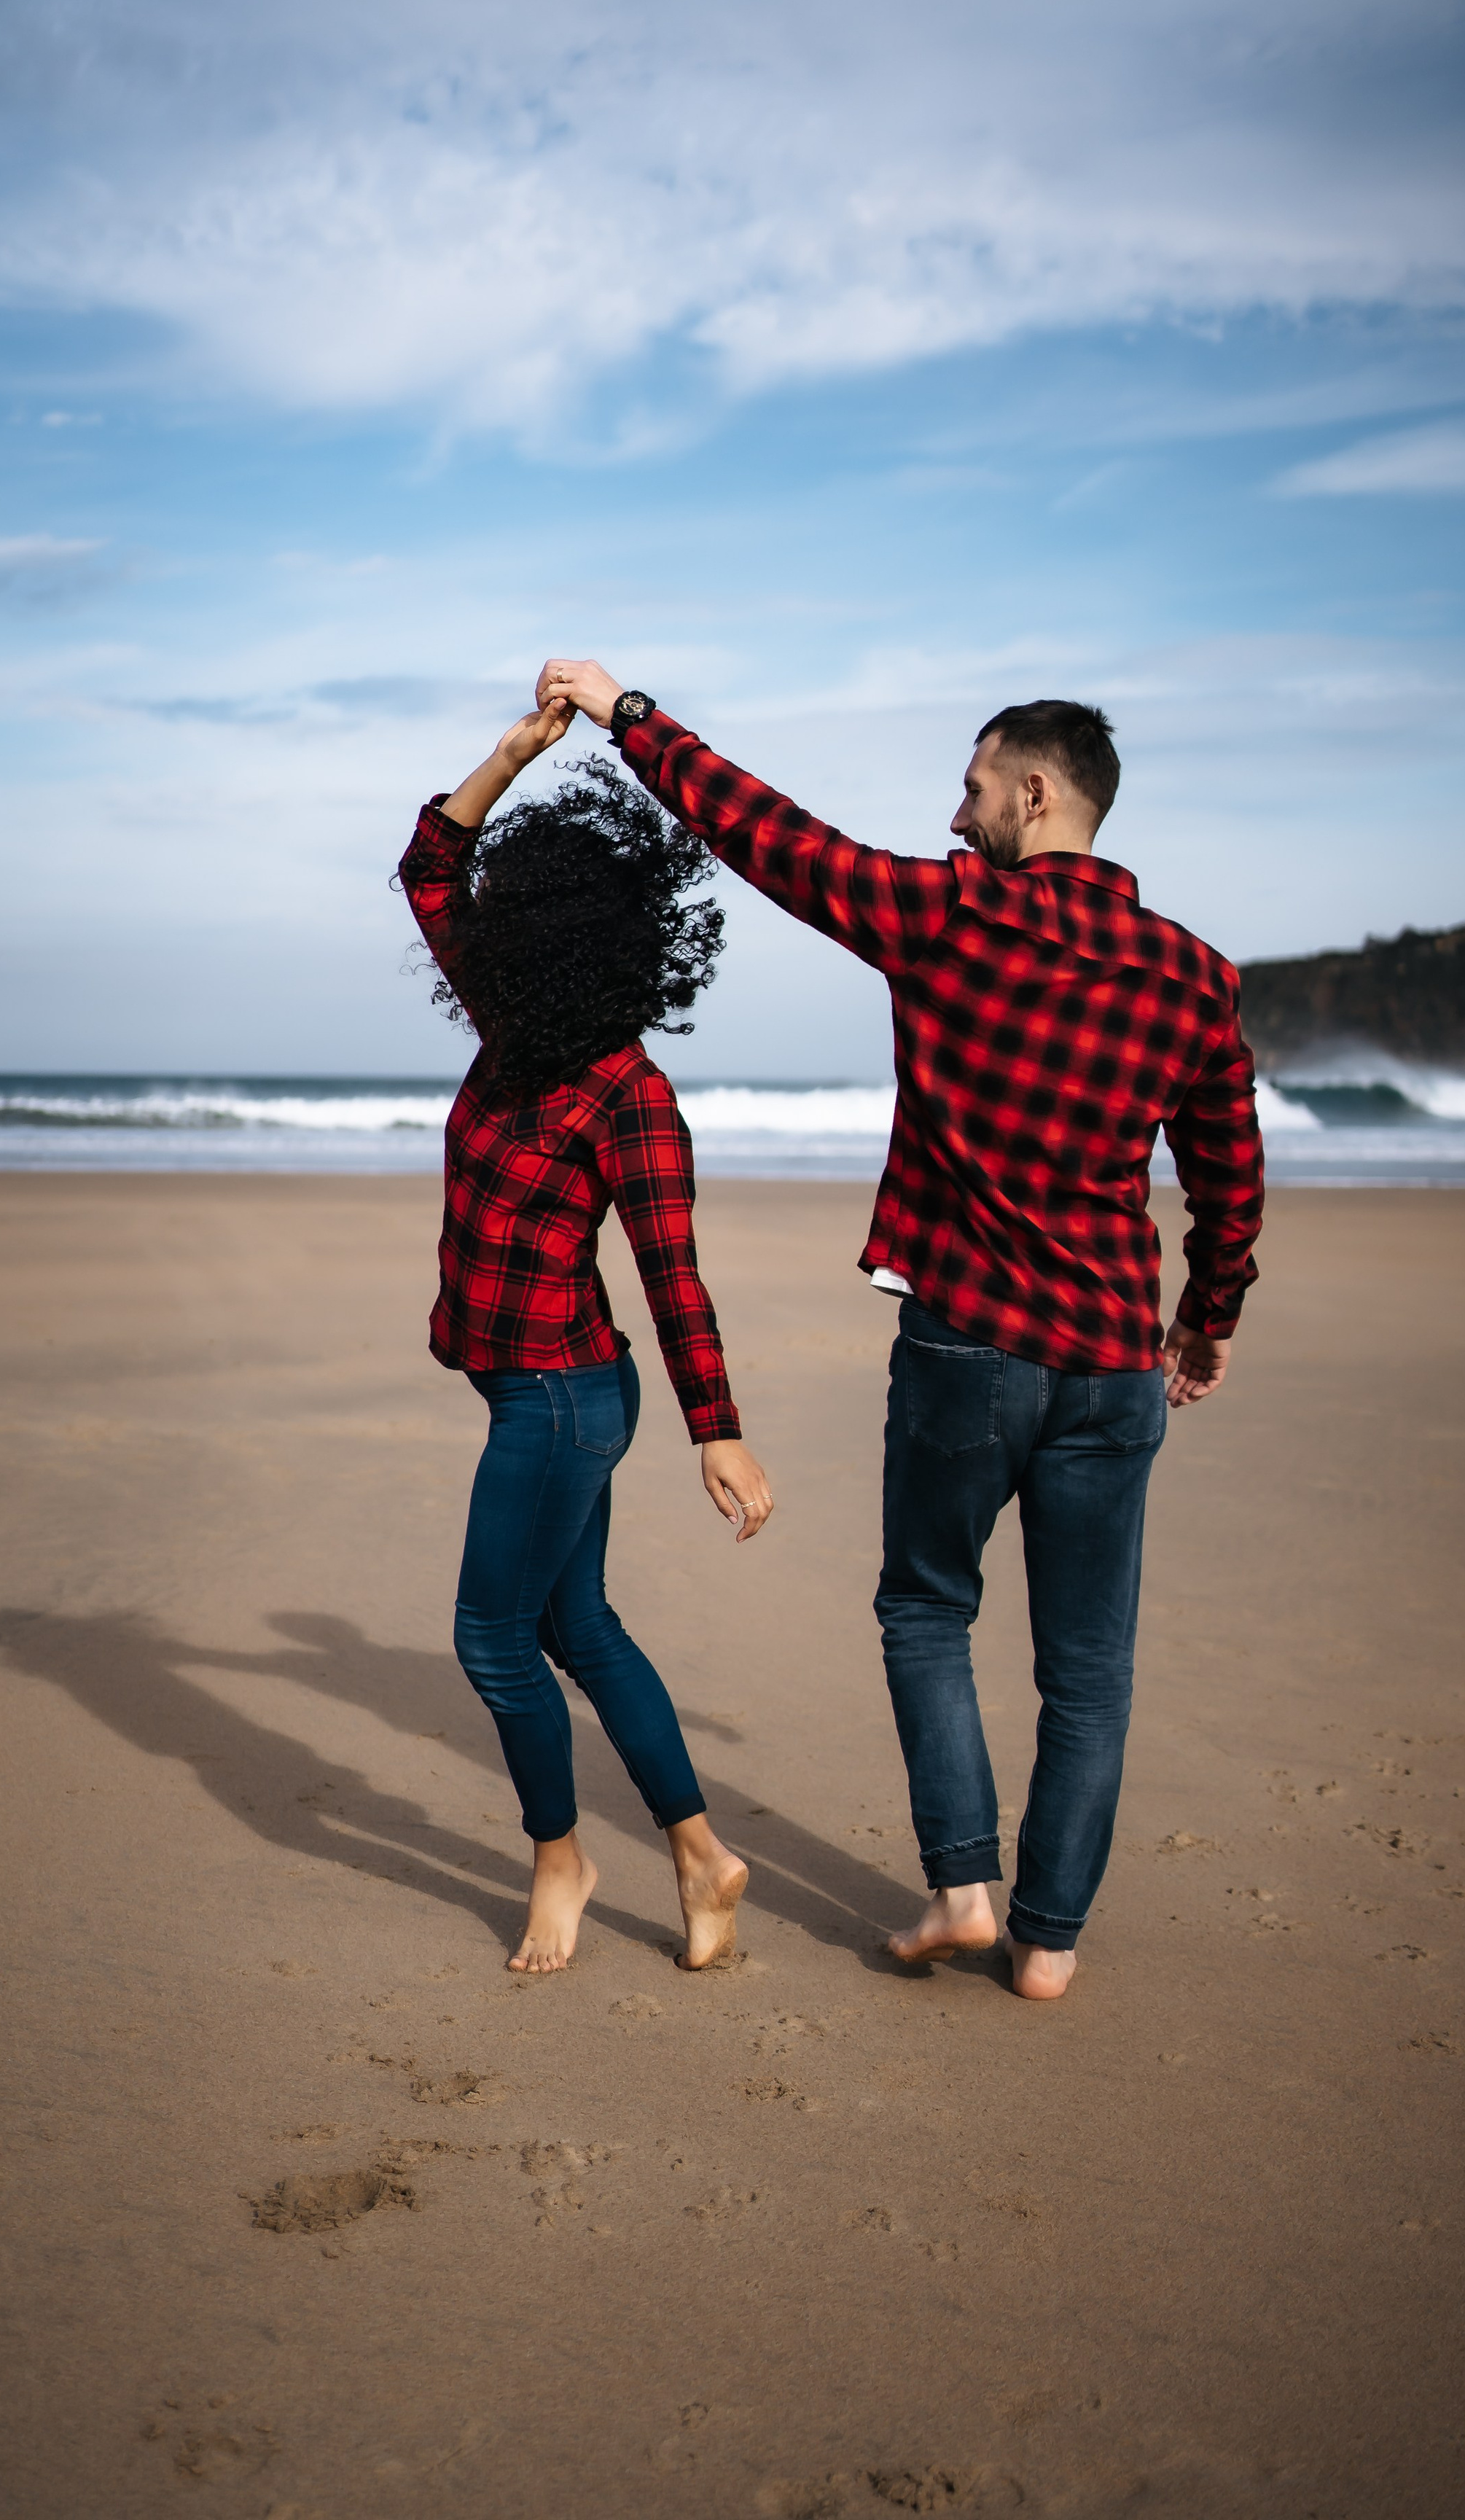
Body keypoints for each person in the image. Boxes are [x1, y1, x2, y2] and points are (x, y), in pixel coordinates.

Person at [534, 664, 1265, 2002]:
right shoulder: (1196, 977)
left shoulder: (949, 917)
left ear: (1036, 791)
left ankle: (964, 1889)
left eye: (976, 786)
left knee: (928, 1607)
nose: (958, 811)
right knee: (1088, 1671)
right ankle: (1049, 1944)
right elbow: (1229, 1180)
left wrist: (627, 713)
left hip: (969, 1345)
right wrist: (1205, 1319)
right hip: (1111, 1360)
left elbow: (766, 834)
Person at [399, 696, 775, 1976]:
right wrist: (514, 755)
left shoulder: (631, 1094)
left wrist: (717, 1434)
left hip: (563, 1398)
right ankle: (703, 1858)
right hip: (537, 1389)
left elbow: (675, 1280)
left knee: (491, 1637)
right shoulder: (511, 1028)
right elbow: (429, 867)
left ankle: (562, 1858)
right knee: (578, 1627)